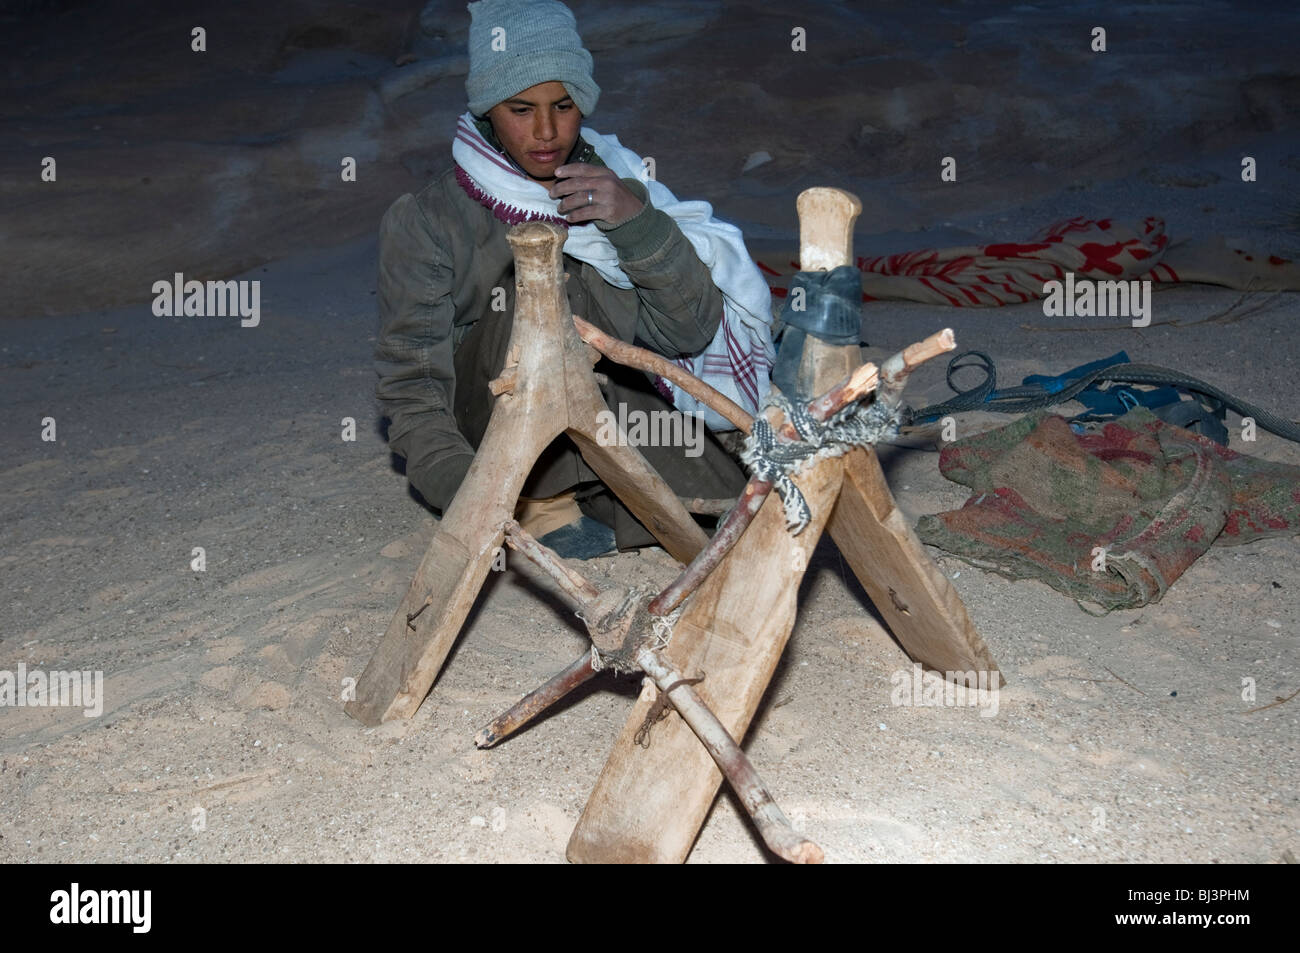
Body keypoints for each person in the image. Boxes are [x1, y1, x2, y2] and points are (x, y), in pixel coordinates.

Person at [375, 0, 774, 557]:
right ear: (489, 109)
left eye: (563, 106)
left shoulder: (618, 181)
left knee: (747, 513)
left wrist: (633, 221)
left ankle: (609, 494)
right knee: (533, 283)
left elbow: (687, 336)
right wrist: (472, 492)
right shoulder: (430, 218)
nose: (545, 131)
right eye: (521, 109)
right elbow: (413, 383)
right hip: (500, 431)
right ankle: (547, 499)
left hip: (616, 409)